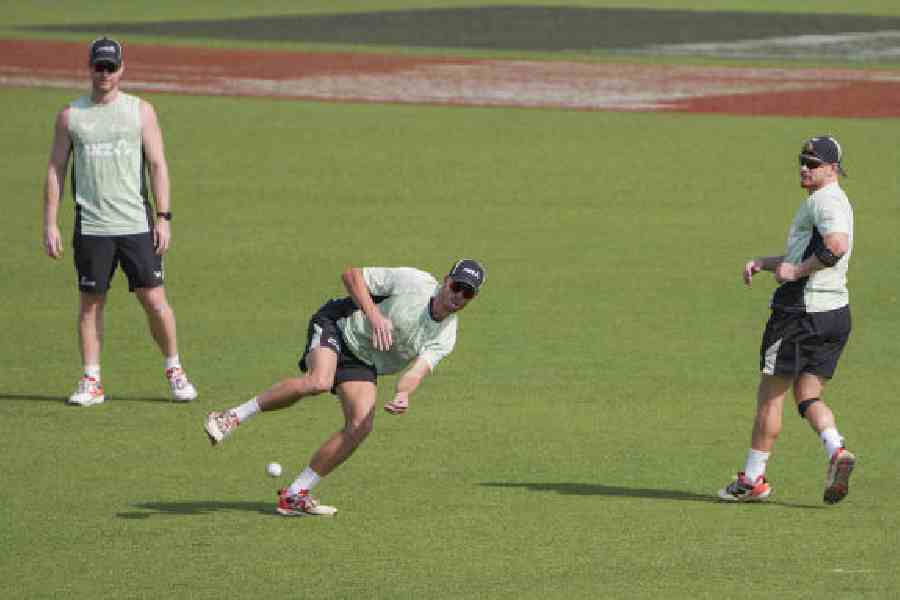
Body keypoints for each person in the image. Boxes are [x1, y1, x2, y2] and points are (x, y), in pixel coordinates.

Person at [204, 259, 486, 516]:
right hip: (338, 326)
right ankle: (230, 416)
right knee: (318, 381)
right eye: (457, 286)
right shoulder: (413, 282)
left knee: (361, 425)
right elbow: (352, 275)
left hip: (363, 361)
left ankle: (296, 494)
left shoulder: (447, 334)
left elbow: (416, 372)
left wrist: (403, 394)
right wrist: (374, 315)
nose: (458, 296)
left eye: (468, 293)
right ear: (446, 280)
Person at [42, 37, 197, 406]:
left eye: (111, 67)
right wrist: (50, 223)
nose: (105, 73)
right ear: (89, 67)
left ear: (122, 69)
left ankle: (175, 371)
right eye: (99, 66)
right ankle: (91, 381)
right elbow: (56, 170)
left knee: (154, 300)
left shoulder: (140, 111)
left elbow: (158, 165)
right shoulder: (71, 116)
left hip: (136, 223)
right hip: (92, 226)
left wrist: (164, 217)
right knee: (91, 303)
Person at [718, 135, 856, 504]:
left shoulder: (825, 201)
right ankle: (836, 450)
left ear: (831, 169)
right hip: (834, 315)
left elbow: (836, 246)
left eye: (813, 163)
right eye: (802, 160)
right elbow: (808, 252)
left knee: (770, 398)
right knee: (808, 394)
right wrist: (767, 263)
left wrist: (795, 273)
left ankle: (752, 480)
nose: (804, 168)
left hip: (799, 315)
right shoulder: (833, 201)